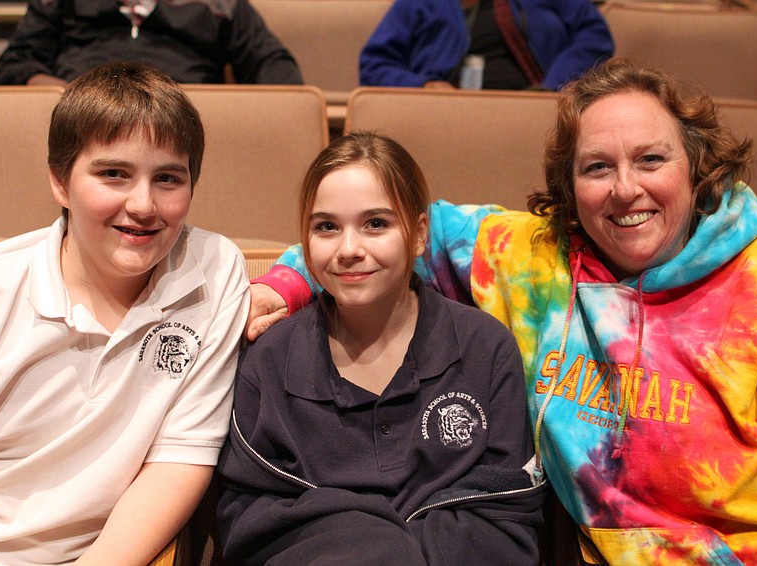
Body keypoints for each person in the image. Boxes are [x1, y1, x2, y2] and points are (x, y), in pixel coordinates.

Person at [247, 59, 757, 564]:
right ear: (570, 184)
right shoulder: (534, 260)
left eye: (651, 159)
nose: (625, 189)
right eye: (597, 168)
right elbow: (388, 230)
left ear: (698, 164)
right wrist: (282, 286)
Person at [0, 62, 250, 564]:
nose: (142, 204)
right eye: (113, 174)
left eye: (168, 179)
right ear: (60, 182)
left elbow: (178, 461)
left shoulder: (215, 271)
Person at [216, 131, 546, 565]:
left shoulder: (487, 348)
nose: (350, 249)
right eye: (327, 227)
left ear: (419, 235)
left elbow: (506, 512)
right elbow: (249, 518)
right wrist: (377, 548)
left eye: (376, 224)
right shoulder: (270, 359)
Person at [0, 0, 302, 87]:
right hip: (79, 118)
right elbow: (16, 64)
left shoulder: (221, 5)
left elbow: (275, 68)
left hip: (184, 120)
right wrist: (65, 97)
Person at [359, 0, 613, 91]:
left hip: (538, 105)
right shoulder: (418, 3)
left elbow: (594, 36)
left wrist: (557, 85)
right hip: (448, 107)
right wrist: (424, 86)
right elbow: (375, 64)